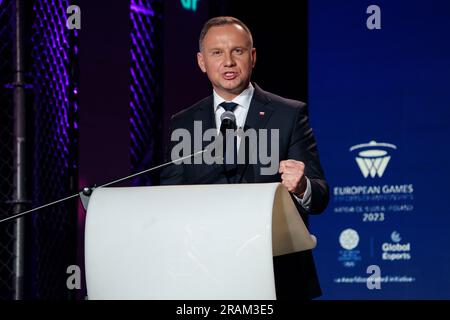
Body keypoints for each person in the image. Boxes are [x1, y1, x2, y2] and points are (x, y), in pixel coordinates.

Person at [160, 16, 329, 299]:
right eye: (217, 53)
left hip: (276, 273)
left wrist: (302, 187)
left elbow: (320, 195)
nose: (228, 61)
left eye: (237, 51)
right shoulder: (184, 124)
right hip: (206, 275)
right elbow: (170, 199)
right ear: (202, 62)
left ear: (252, 57)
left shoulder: (289, 114)